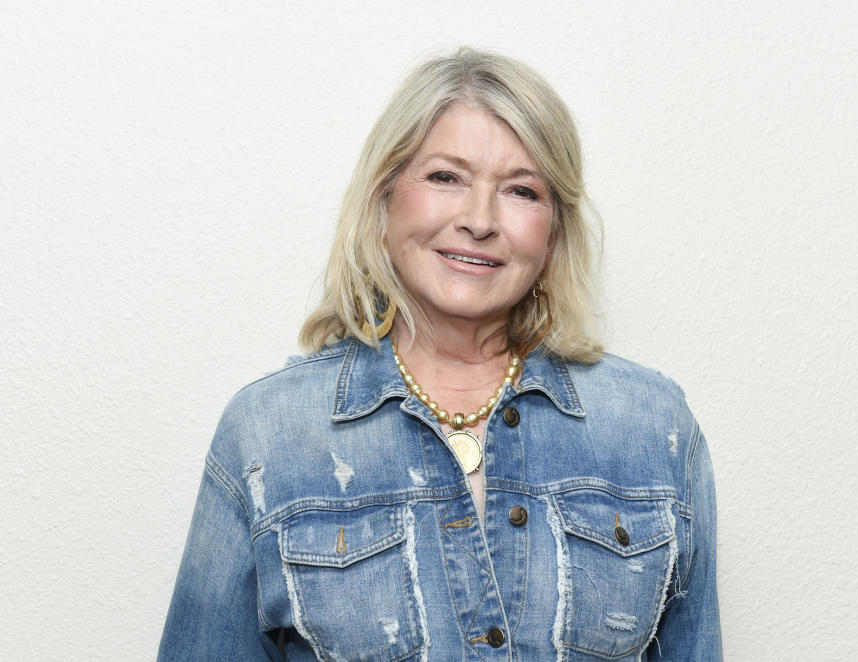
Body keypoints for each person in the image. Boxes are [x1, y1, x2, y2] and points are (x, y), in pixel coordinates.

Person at [158, 47, 721, 661]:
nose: (479, 220)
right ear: (384, 200)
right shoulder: (269, 434)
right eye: (445, 177)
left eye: (521, 190)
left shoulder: (653, 428)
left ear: (553, 229)